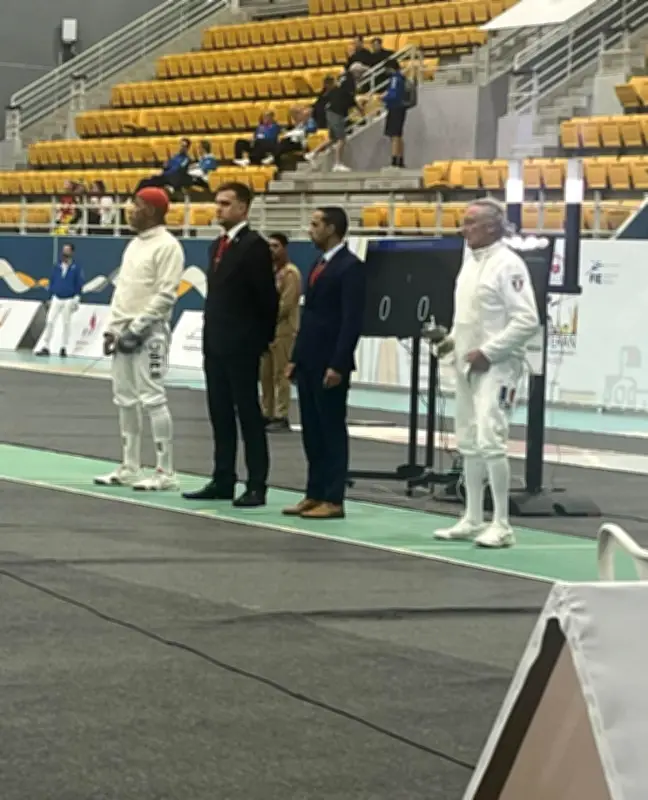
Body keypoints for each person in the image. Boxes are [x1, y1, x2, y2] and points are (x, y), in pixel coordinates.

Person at [434, 199, 540, 548]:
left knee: (491, 439)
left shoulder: (508, 264)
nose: (463, 229)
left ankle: (502, 524)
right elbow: (468, 318)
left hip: (498, 367)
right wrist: (450, 342)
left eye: (470, 223)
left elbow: (527, 320)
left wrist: (490, 352)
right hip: (467, 364)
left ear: (491, 227)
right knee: (469, 441)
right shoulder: (469, 264)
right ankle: (473, 517)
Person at [183, 182, 278, 508]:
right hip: (216, 342)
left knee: (248, 415)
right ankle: (223, 477)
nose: (218, 208)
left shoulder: (254, 246)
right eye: (217, 202)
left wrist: (259, 340)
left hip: (242, 344)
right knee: (219, 413)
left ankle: (256, 483)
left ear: (243, 208)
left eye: (225, 203)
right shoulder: (217, 247)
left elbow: (266, 299)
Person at [94, 187, 185, 491]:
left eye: (137, 205)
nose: (130, 210)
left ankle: (166, 470)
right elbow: (123, 292)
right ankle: (129, 465)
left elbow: (165, 295)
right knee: (125, 399)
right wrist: (112, 328)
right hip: (123, 332)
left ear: (153, 210)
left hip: (151, 334)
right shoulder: (133, 245)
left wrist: (139, 327)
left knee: (153, 397)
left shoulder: (168, 246)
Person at [283, 207, 365, 520]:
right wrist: (295, 358)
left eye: (315, 224)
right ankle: (314, 492)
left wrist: (339, 363)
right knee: (312, 431)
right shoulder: (318, 263)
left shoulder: (350, 267)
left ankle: (334, 498)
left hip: (331, 361)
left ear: (332, 228)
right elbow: (310, 317)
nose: (310, 230)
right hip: (309, 359)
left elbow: (351, 321)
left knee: (331, 429)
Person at [260, 232, 301, 432]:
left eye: (275, 246)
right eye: (269, 246)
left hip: (283, 330)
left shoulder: (290, 273)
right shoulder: (268, 272)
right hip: (266, 331)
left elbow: (286, 304)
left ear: (284, 248)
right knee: (265, 374)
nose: (271, 250)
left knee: (281, 374)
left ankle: (281, 414)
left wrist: (267, 318)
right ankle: (266, 411)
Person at [36, 242, 84, 358]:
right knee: (50, 321)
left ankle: (64, 347)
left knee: (66, 323)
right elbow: (52, 281)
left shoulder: (76, 268)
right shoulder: (57, 267)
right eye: (64, 250)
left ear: (72, 252)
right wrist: (51, 294)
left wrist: (77, 297)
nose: (65, 253)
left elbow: (79, 283)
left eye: (67, 251)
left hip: (69, 299)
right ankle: (46, 346)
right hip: (57, 297)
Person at [382, 60, 408, 168]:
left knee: (394, 135)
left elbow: (393, 94)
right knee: (399, 135)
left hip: (395, 107)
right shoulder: (401, 78)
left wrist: (383, 97)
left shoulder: (394, 79)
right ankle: (400, 159)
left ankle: (394, 161)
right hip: (400, 108)